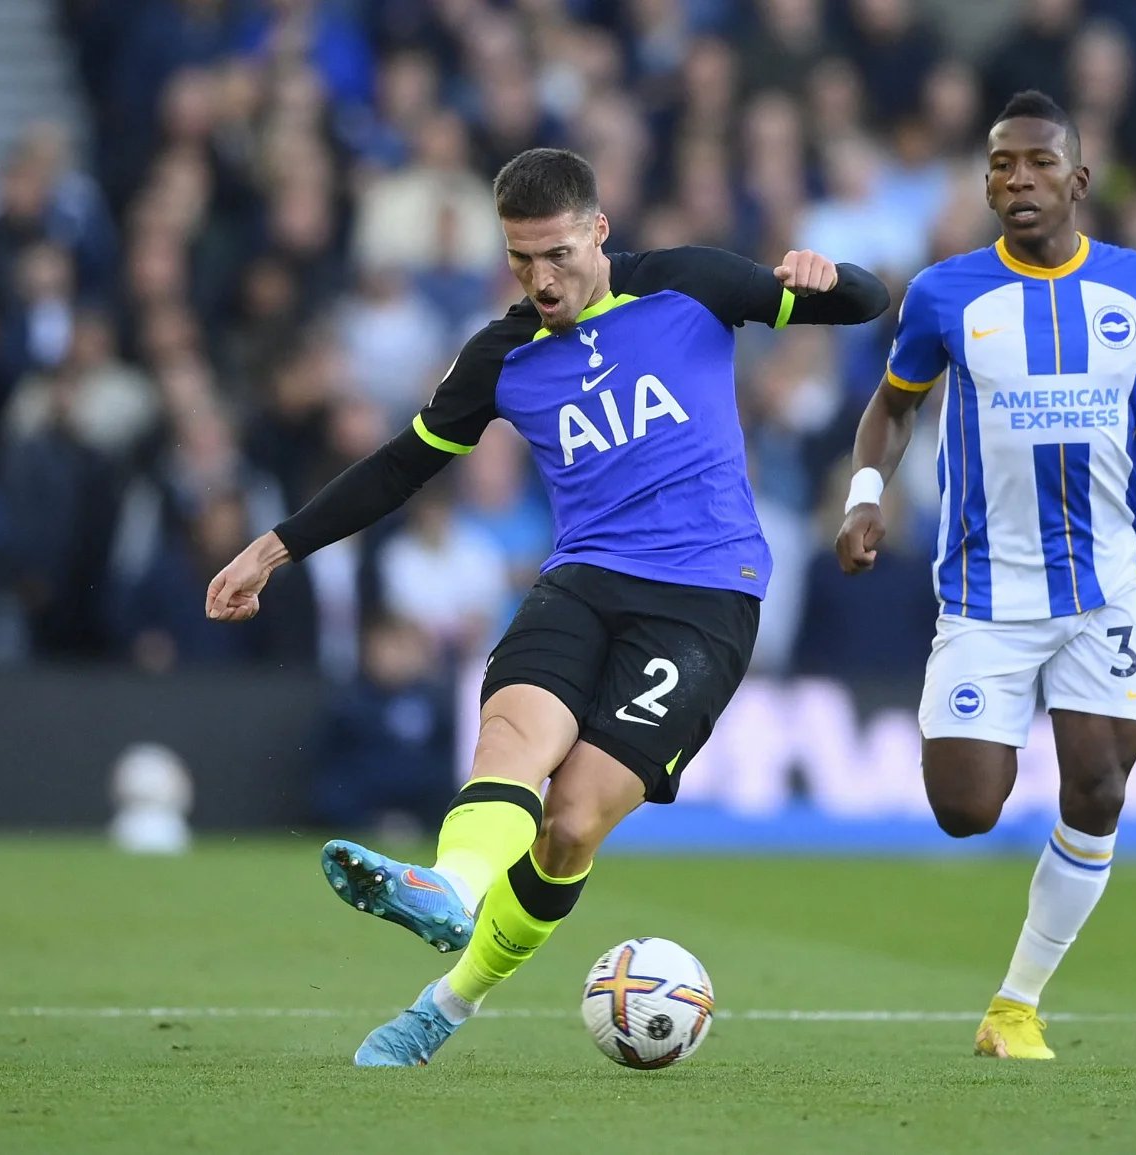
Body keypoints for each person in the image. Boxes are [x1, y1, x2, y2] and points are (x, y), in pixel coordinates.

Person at [205, 147, 888, 1066]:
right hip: (583, 579)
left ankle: (444, 1005)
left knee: (570, 823)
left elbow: (866, 302)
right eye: (521, 259)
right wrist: (274, 547)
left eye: (558, 254)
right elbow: (402, 466)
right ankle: (446, 887)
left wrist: (826, 274)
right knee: (510, 743)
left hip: (705, 597)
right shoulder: (502, 353)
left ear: (598, 230)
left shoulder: (690, 283)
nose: (541, 278)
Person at [833, 91, 1136, 1060]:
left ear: (1078, 179)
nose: (1015, 180)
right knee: (965, 808)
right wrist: (864, 494)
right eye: (998, 166)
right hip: (985, 589)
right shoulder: (945, 294)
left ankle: (1015, 1006)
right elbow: (891, 408)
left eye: (1034, 163)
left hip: (1104, 584)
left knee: (1098, 786)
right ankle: (972, 744)